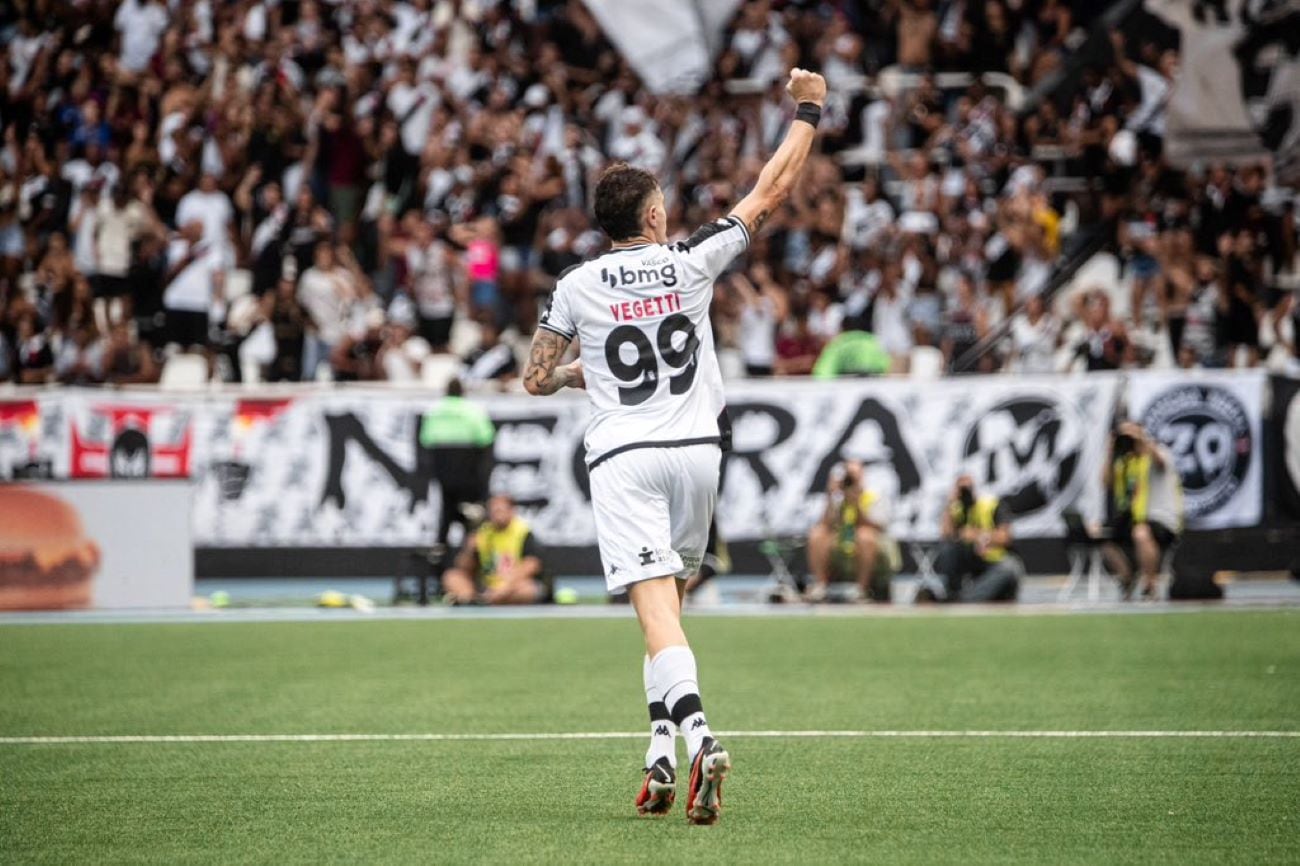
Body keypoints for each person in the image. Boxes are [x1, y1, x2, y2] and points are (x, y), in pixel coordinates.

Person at [521, 68, 827, 825]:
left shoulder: (577, 284)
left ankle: (699, 737)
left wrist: (576, 377)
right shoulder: (692, 260)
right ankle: (659, 751)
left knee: (655, 612)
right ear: (655, 214)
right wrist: (810, 109)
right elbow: (773, 187)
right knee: (669, 611)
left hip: (625, 457)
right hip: (698, 451)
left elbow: (533, 376)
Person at [1101, 421, 1183, 599]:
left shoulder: (1157, 452)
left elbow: (1160, 463)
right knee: (1103, 537)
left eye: (1131, 434)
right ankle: (1127, 579)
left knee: (1141, 533)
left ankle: (1150, 585)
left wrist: (1142, 439)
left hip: (1162, 517)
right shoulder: (1125, 461)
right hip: (1135, 517)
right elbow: (1106, 483)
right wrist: (1110, 451)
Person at [418, 378, 496, 553]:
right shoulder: (473, 411)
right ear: (463, 392)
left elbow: (426, 440)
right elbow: (486, 438)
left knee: (446, 508)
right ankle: (471, 550)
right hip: (468, 467)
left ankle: (441, 547)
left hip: (443, 468)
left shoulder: (433, 411)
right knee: (471, 511)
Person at [805, 460, 899, 603]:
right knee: (817, 534)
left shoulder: (874, 495)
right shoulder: (838, 497)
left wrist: (856, 502)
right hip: (842, 540)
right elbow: (826, 524)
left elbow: (877, 526)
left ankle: (861, 590)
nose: (850, 480)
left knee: (864, 535)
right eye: (848, 475)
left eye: (854, 475)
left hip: (871, 542)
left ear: (862, 476)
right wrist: (830, 496)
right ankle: (820, 586)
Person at [926, 475, 1022, 603]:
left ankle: (963, 600)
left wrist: (979, 536)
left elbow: (1006, 536)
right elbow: (945, 534)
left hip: (992, 558)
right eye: (961, 489)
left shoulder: (990, 504)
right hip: (969, 558)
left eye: (967, 488)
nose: (965, 493)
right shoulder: (956, 508)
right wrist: (949, 504)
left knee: (1010, 567)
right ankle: (955, 591)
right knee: (947, 550)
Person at [440, 494, 550, 605]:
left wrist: (505, 587)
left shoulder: (523, 532)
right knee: (451, 577)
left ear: (511, 511)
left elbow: (532, 565)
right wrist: (469, 550)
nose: (497, 515)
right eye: (493, 511)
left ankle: (488, 601)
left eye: (500, 510)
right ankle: (471, 600)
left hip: (512, 584)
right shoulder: (483, 532)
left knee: (527, 590)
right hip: (486, 585)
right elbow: (463, 568)